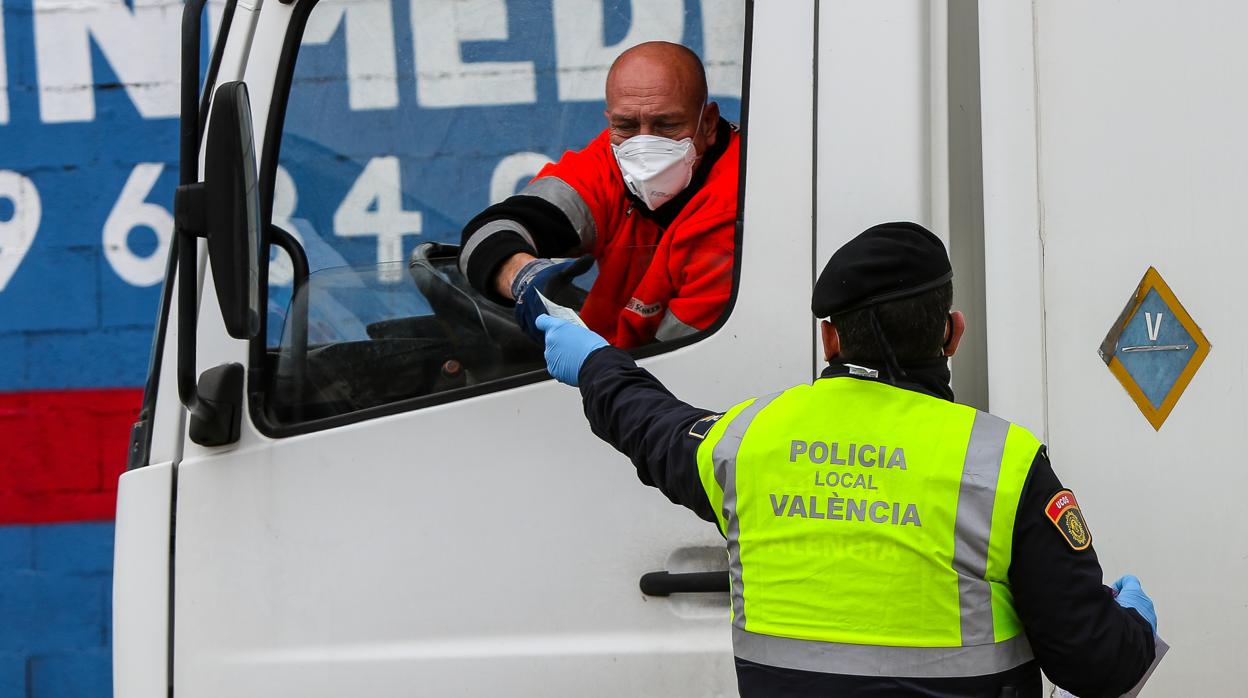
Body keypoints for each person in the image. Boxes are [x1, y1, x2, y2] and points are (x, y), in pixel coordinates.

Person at [533, 222, 1158, 697]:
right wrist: (1131, 626)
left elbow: (651, 425)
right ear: (952, 332)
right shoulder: (1001, 464)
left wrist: (593, 360)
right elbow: (1096, 664)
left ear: (829, 336)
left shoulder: (745, 442)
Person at [457, 41, 739, 349]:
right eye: (626, 125)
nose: (643, 147)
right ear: (610, 121)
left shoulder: (733, 204)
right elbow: (490, 233)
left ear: (708, 124)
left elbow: (675, 363)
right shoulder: (610, 158)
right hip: (603, 363)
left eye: (666, 125)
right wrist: (524, 277)